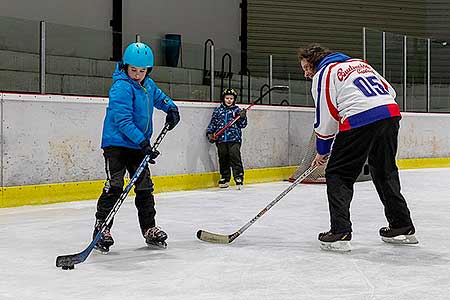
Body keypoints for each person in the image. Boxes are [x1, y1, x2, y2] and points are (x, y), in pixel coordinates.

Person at [298, 44, 417, 252]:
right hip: (389, 114)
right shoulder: (359, 63)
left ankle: (340, 232)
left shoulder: (324, 73)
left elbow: (325, 115)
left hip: (360, 118)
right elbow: (390, 91)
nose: (307, 74)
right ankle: (402, 225)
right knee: (384, 170)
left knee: (338, 174)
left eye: (307, 68)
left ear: (315, 62)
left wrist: (323, 150)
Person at [93, 42, 180, 252]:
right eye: (134, 70)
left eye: (142, 71)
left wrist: (172, 108)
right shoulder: (121, 87)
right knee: (115, 185)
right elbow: (122, 121)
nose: (138, 74)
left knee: (144, 187)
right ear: (125, 66)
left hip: (138, 146)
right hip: (117, 145)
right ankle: (101, 228)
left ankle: (149, 228)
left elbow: (160, 98)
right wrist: (143, 143)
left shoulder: (147, 85)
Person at [206, 88, 248, 189]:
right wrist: (210, 133)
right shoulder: (218, 111)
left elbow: (243, 125)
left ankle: (238, 176)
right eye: (227, 98)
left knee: (235, 157)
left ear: (234, 100)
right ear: (223, 99)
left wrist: (242, 117)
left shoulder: (237, 111)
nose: (229, 100)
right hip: (221, 140)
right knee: (223, 158)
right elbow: (213, 123)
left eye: (231, 98)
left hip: (234, 139)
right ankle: (225, 177)